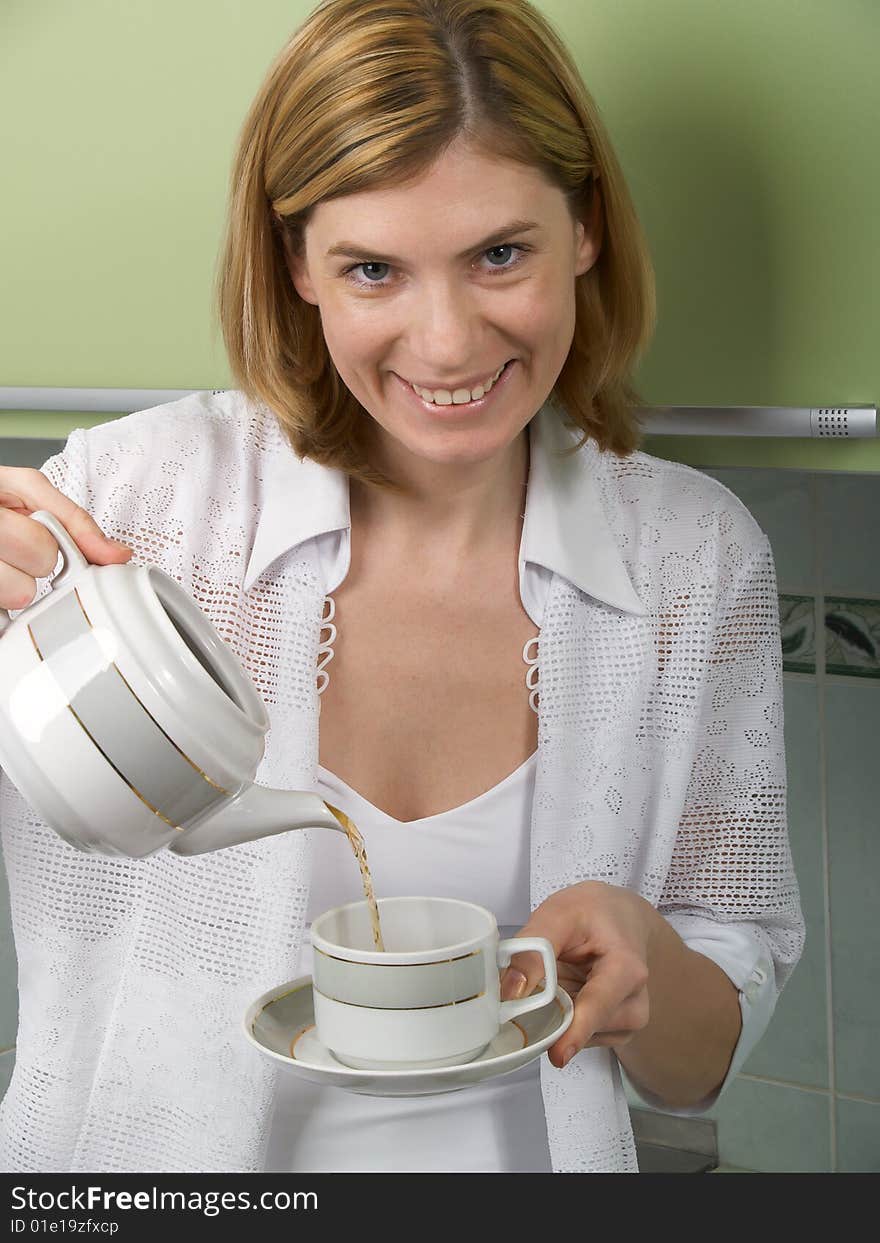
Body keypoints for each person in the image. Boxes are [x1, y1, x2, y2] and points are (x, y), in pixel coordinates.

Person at [0, 0, 804, 1174]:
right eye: (373, 269)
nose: (445, 344)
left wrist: (648, 961)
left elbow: (696, 1061)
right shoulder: (124, 507)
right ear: (298, 267)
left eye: (498, 254)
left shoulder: (692, 559)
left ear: (584, 231)